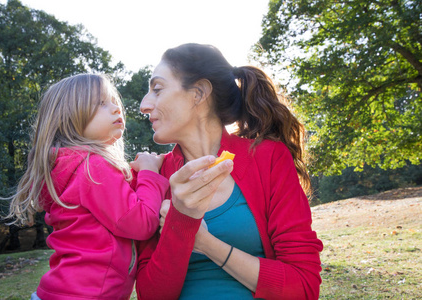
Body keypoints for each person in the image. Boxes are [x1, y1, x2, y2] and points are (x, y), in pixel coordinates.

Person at [135, 43, 323, 300]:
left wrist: (206, 244)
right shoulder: (151, 178)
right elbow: (151, 295)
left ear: (198, 93)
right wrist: (181, 219)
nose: (144, 105)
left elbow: (303, 287)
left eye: (157, 89)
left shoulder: (268, 158)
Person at [4, 74, 169, 300]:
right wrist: (150, 173)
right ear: (69, 118)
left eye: (113, 101)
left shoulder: (70, 166)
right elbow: (141, 222)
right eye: (101, 103)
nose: (115, 109)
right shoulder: (93, 168)